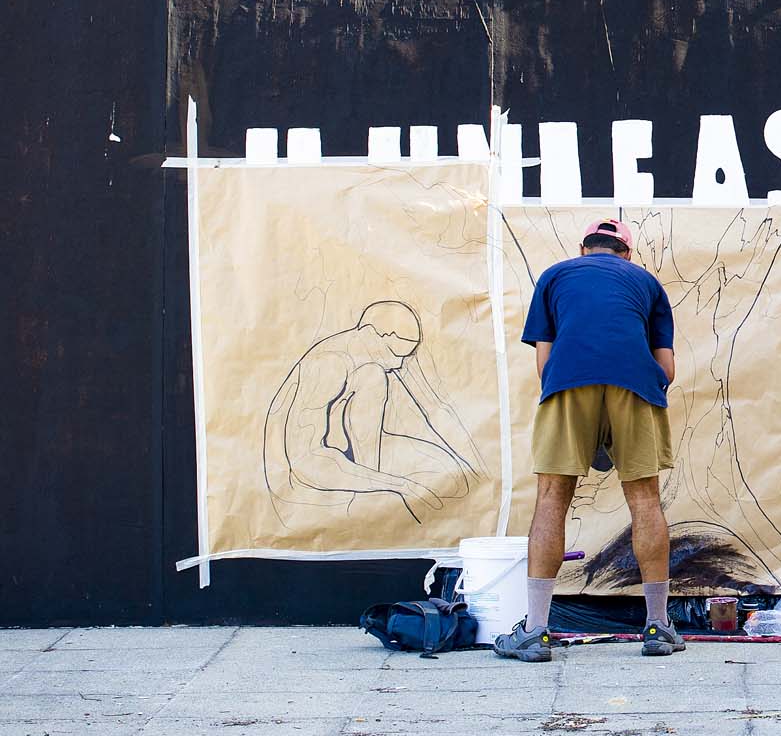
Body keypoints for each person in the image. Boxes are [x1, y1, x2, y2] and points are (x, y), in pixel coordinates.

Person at [492, 218, 682, 662]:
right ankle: (658, 626)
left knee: (552, 497)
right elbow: (668, 370)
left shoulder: (555, 276)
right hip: (635, 385)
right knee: (644, 499)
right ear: (627, 254)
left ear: (583, 250)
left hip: (568, 383)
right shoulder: (647, 283)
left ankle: (536, 630)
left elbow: (544, 363)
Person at [263, 301, 480, 527]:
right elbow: (306, 463)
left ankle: (378, 481)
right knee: (373, 376)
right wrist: (397, 485)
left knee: (451, 477)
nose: (398, 364)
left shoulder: (371, 362)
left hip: (354, 457)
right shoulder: (330, 363)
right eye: (394, 353)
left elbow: (433, 411)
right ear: (371, 334)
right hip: (307, 477)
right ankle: (377, 489)